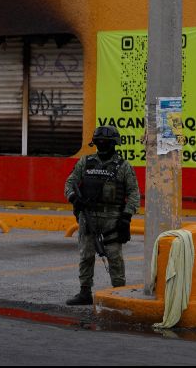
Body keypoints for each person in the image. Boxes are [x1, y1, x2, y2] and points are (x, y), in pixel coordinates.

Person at [64, 125, 140, 306]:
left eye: (106, 142)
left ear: (114, 144)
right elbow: (70, 182)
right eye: (99, 142)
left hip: (112, 219)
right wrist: (75, 198)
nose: (103, 145)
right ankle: (84, 292)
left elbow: (134, 193)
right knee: (86, 255)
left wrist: (126, 218)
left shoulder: (123, 166)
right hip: (88, 216)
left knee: (114, 257)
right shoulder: (85, 162)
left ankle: (119, 292)